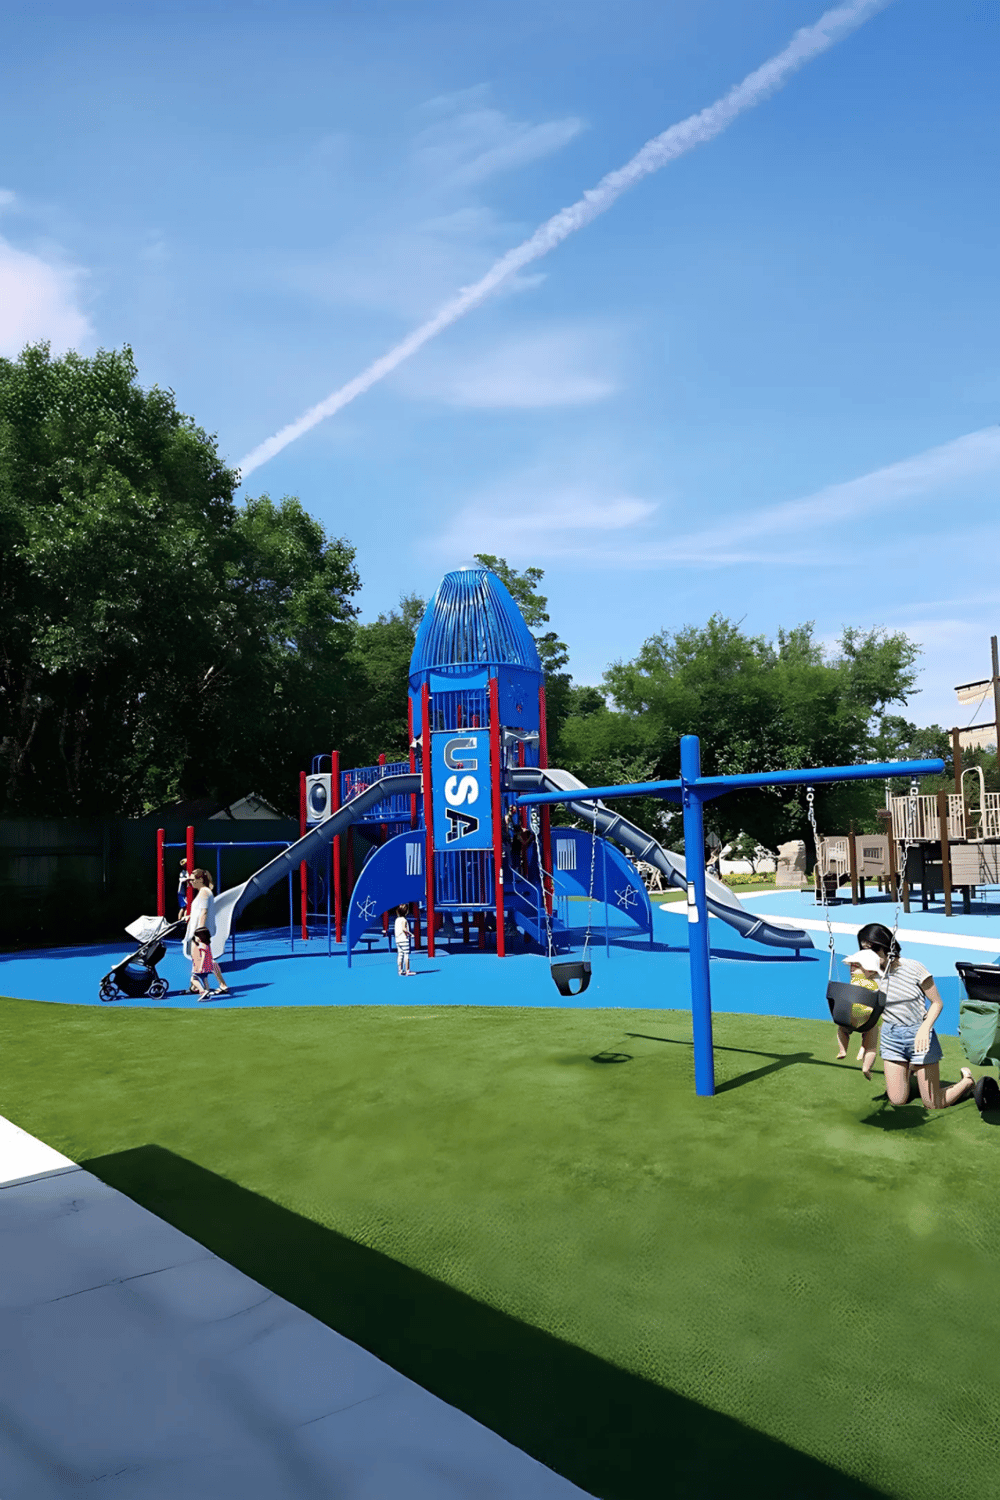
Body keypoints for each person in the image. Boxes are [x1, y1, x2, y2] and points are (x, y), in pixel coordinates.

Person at [856, 921, 974, 1108]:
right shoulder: (869, 974)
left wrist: (924, 1028)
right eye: (864, 951)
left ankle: (968, 1081)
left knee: (933, 1103)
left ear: (888, 946)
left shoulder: (914, 968)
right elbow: (866, 1011)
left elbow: (937, 1003)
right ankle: (909, 1068)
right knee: (897, 1100)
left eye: (874, 949)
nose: (869, 955)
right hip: (891, 1037)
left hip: (919, 1035)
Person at [835, 948, 881, 1080]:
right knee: (871, 1046)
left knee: (841, 1030)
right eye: (851, 967)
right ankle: (866, 1067)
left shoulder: (854, 983)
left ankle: (843, 1049)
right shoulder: (875, 985)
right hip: (869, 1021)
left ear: (870, 970)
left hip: (851, 1018)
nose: (851, 970)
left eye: (856, 967)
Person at [184, 868, 230, 994]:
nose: (190, 882)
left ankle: (222, 985)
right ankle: (195, 986)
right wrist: (190, 917)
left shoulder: (204, 892)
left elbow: (204, 912)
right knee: (200, 958)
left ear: (200, 879)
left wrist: (200, 933)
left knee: (207, 959)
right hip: (202, 931)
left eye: (192, 880)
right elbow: (199, 911)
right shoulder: (204, 892)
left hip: (201, 932)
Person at [190, 927, 218, 1000]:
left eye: (196, 936)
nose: (195, 938)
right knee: (204, 978)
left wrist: (200, 966)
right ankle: (207, 990)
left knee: (193, 979)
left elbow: (203, 956)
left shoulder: (202, 946)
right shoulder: (207, 944)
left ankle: (202, 991)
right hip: (207, 967)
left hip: (201, 966)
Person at [394, 904, 414, 976]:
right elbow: (404, 929)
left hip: (398, 940)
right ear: (406, 912)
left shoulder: (397, 920)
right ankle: (407, 970)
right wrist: (410, 934)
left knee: (400, 955)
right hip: (404, 940)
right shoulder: (404, 920)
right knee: (406, 955)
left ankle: (400, 970)